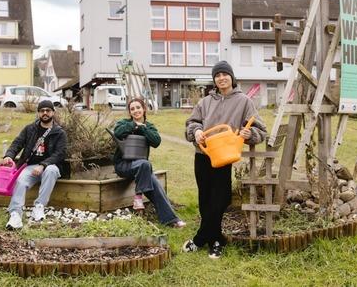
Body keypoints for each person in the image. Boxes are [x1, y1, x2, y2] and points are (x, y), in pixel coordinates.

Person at [183, 60, 266, 258]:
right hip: (203, 156)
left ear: (231, 77)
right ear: (214, 80)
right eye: (217, 75)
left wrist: (249, 133)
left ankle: (201, 238)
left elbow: (261, 131)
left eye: (224, 74)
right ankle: (216, 240)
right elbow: (191, 123)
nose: (221, 78)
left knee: (220, 199)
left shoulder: (244, 101)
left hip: (224, 157)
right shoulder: (205, 102)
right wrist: (196, 132)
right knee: (205, 199)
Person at [113, 97, 186, 228]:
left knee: (157, 187)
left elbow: (156, 141)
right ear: (129, 112)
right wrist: (134, 125)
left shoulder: (149, 127)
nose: (136, 111)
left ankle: (170, 220)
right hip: (124, 165)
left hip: (141, 168)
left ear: (144, 109)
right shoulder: (123, 123)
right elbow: (117, 133)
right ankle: (138, 197)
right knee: (145, 165)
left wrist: (143, 128)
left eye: (138, 108)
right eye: (132, 109)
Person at [1, 100, 67, 230]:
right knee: (20, 181)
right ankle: (15, 215)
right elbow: (17, 143)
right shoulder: (30, 129)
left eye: (48, 110)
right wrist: (9, 155)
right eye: (42, 111)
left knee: (51, 171)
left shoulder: (60, 133)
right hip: (30, 166)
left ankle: (39, 207)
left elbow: (60, 154)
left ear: (53, 112)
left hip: (50, 166)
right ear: (38, 113)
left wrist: (43, 164)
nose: (45, 113)